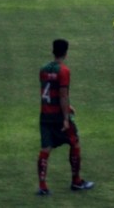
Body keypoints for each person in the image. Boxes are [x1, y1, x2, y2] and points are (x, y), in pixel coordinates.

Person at [37, 39, 95, 196]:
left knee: (45, 148)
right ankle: (76, 182)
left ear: (53, 51)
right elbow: (62, 95)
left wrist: (67, 106)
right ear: (66, 52)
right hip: (58, 116)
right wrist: (65, 117)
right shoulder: (64, 71)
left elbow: (48, 92)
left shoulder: (43, 69)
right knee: (74, 143)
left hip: (45, 115)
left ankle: (42, 186)